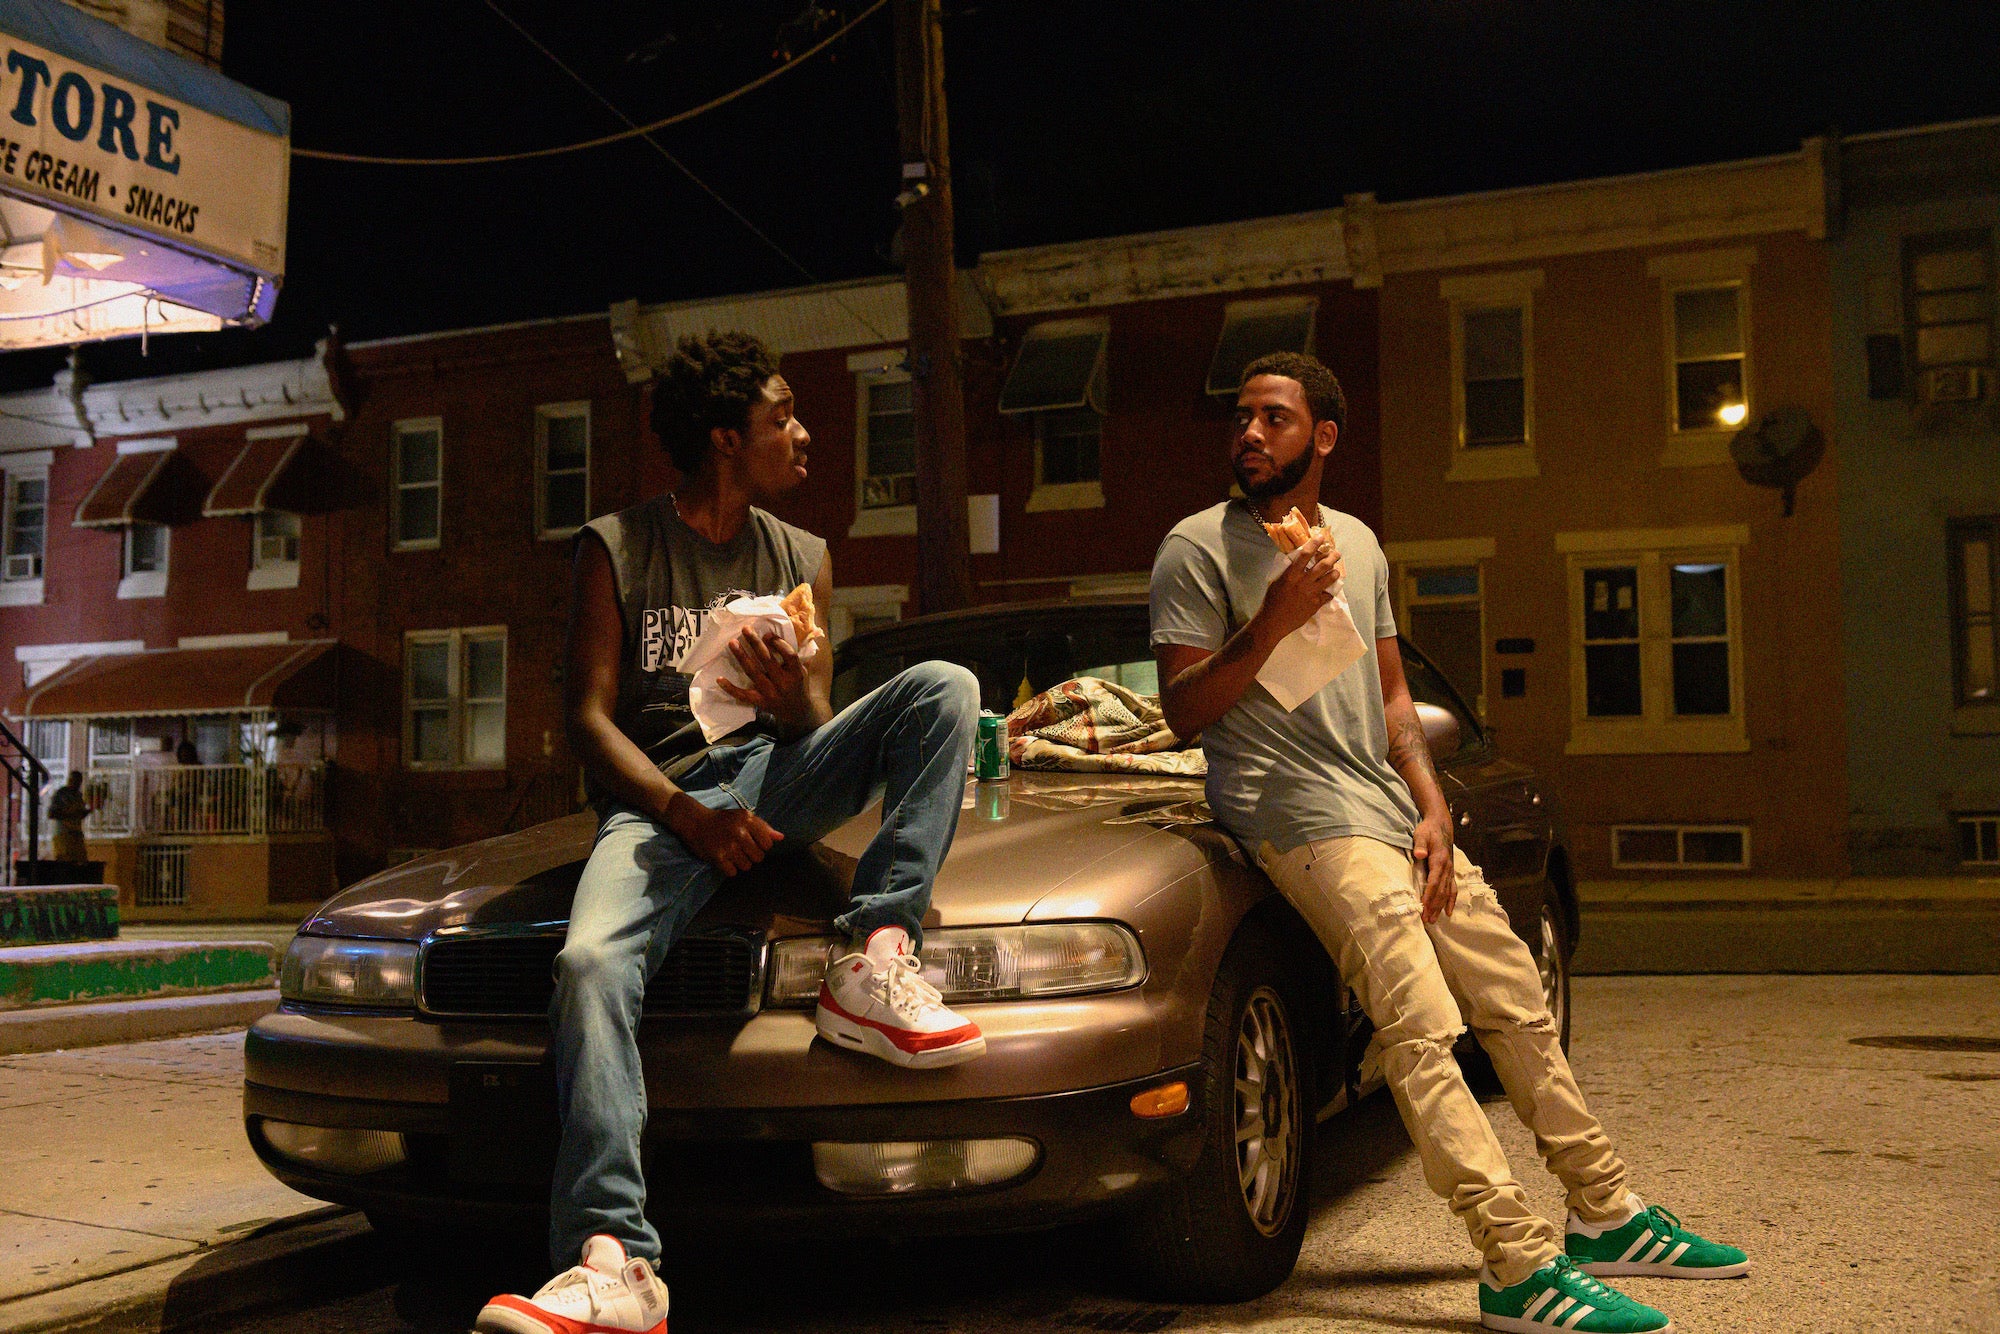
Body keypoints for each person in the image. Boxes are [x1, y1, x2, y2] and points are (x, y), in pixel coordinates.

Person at [1148, 352, 1747, 1333]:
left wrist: (1432, 807)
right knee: (1418, 1025)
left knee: (1513, 998)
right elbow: (1181, 711)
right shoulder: (1195, 548)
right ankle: (1515, 1264)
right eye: (1240, 417)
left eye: (1272, 417)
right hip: (1296, 817)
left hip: (1388, 812)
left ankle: (1605, 1211)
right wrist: (1268, 623)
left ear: (1321, 437)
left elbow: (1390, 698)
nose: (1247, 433)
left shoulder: (1355, 543)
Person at [477, 332, 984, 1334]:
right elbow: (588, 714)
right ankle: (613, 1258)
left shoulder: (803, 556)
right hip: (662, 804)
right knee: (585, 966)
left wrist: (796, 692)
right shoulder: (618, 544)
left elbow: (813, 720)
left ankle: (877, 959)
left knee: (943, 689)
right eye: (781, 417)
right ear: (724, 438)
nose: (802, 433)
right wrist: (687, 816)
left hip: (778, 770)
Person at [47, 771, 88, 863]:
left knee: (80, 861)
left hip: (76, 833)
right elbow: (52, 814)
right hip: (63, 834)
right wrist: (71, 815)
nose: (77, 783)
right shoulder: (61, 794)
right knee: (65, 861)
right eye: (74, 780)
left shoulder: (78, 796)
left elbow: (79, 814)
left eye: (78, 781)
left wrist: (83, 813)